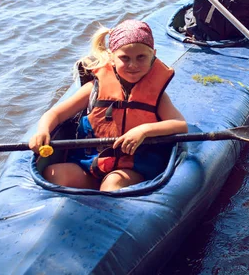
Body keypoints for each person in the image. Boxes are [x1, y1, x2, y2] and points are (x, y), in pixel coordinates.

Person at [29, 20, 188, 191]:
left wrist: (143, 131)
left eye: (141, 57)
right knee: (55, 173)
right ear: (112, 58)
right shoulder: (94, 89)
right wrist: (43, 131)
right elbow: (56, 114)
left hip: (131, 168)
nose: (133, 65)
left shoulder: (157, 96)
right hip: (93, 162)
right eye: (124, 58)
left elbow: (180, 124)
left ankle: (106, 203)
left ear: (153, 55)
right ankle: (92, 195)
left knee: (112, 183)